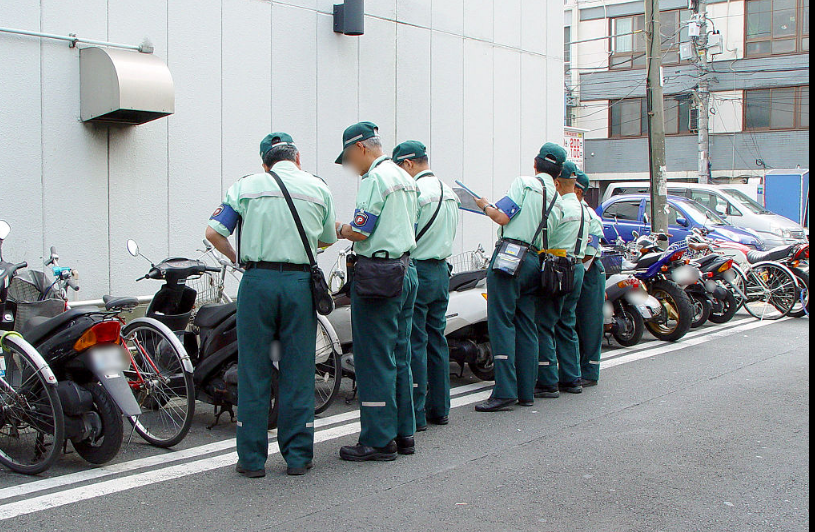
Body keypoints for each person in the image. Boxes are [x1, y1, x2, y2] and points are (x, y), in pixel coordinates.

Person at [205, 133, 337, 478]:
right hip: (298, 285)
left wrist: (239, 257)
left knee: (254, 369)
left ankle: (251, 460)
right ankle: (297, 457)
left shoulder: (246, 187)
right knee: (298, 369)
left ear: (265, 163)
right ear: (298, 159)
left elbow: (213, 232)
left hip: (258, 282)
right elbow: (326, 238)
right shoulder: (317, 188)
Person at [334, 122, 420, 461]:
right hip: (406, 269)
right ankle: (404, 433)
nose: (351, 167)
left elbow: (360, 230)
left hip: (379, 275)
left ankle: (378, 440)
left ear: (361, 149)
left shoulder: (375, 180)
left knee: (373, 358)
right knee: (400, 354)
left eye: (349, 159)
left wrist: (334, 228)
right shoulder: (405, 178)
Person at [472, 142, 567, 412]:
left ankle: (504, 391)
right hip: (536, 261)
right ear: (558, 173)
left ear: (535, 164)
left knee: (501, 323)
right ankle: (526, 391)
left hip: (510, 256)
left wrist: (483, 206)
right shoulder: (558, 201)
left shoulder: (524, 184)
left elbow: (502, 216)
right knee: (527, 325)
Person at [392, 140, 460, 430]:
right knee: (437, 338)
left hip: (418, 269)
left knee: (415, 341)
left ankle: (417, 413)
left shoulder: (415, 192)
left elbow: (405, 233)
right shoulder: (449, 192)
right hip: (442, 270)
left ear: (408, 164)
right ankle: (440, 408)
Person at [535, 161, 590, 397]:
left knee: (545, 323)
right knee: (567, 323)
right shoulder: (584, 209)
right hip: (577, 268)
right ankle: (572, 377)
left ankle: (547, 380)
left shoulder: (560, 208)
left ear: (557, 182)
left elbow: (543, 238)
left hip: (557, 268)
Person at [574, 169, 606, 387]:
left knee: (590, 323)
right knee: (574, 321)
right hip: (577, 270)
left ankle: (590, 371)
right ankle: (575, 368)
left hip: (590, 270)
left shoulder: (589, 215)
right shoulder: (569, 211)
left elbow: (590, 251)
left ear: (578, 190)